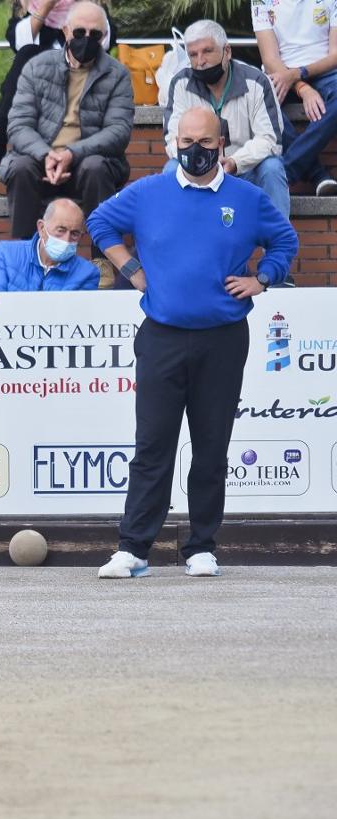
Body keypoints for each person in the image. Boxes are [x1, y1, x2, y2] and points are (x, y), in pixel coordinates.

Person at [85, 108, 298, 580]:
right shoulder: (147, 192)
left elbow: (285, 241)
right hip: (161, 336)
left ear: (221, 144)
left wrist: (262, 278)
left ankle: (202, 545)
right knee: (152, 445)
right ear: (172, 141)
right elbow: (99, 223)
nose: (194, 150)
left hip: (222, 339)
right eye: (185, 141)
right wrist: (131, 271)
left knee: (211, 446)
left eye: (203, 142)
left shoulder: (247, 198)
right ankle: (133, 548)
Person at [0, 0, 133, 240]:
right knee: (19, 167)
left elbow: (118, 131)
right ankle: (23, 256)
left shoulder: (117, 74)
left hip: (87, 164)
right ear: (65, 31)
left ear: (104, 37)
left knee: (96, 167)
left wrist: (71, 153)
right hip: (41, 162)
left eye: (95, 34)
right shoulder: (36, 67)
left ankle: (102, 258)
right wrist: (45, 154)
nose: (87, 38)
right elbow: (19, 125)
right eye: (80, 32)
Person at [0, 0, 116, 166]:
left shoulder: (91, 14)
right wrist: (46, 7)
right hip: (39, 88)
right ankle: (1, 139)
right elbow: (20, 44)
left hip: (80, 79)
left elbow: (105, 42)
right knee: (27, 53)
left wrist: (83, 13)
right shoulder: (28, 10)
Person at [164, 20, 289, 218]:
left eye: (207, 51)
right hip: (198, 170)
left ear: (227, 51)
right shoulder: (180, 83)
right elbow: (172, 139)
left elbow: (270, 140)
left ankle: (280, 244)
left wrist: (234, 161)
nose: (200, 61)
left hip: (246, 170)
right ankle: (173, 242)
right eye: (193, 55)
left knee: (272, 167)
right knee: (172, 168)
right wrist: (202, 162)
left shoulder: (256, 81)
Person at [253, 0, 337, 196]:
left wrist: (299, 74)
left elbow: (335, 55)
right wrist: (303, 88)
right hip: (280, 72)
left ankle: (286, 171)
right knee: (260, 101)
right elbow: (270, 59)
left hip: (326, 71)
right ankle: (318, 175)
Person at [0, 197, 101, 291]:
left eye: (74, 234)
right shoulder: (5, 254)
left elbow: (75, 312)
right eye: (61, 230)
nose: (66, 239)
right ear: (41, 228)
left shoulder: (87, 273)